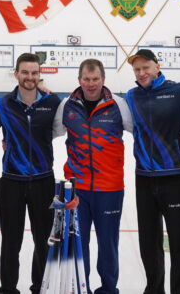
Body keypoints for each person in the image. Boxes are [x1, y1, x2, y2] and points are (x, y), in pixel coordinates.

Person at [126, 49, 180, 294]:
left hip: (174, 177)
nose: (141, 73)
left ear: (157, 66)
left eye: (146, 67)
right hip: (144, 179)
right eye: (137, 69)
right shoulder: (131, 95)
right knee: (149, 244)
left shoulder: (178, 91)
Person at [53, 58, 133, 294]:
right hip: (77, 189)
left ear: (103, 79)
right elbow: (48, 133)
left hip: (110, 188)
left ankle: (109, 289)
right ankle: (81, 288)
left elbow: (141, 131)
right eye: (86, 79)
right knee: (78, 243)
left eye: (95, 79)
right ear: (79, 80)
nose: (91, 84)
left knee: (108, 244)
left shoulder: (118, 104)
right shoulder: (67, 105)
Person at [0, 53, 61, 294]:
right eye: (25, 72)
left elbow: (71, 126)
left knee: (43, 242)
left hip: (43, 181)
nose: (30, 77)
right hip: (11, 183)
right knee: (10, 242)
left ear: (40, 75)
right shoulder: (3, 104)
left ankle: (41, 287)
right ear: (16, 73)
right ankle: (8, 289)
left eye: (34, 73)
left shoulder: (53, 102)